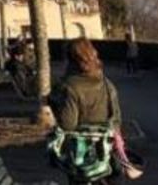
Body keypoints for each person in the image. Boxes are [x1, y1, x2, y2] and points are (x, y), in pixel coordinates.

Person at [47, 38, 130, 183]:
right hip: (106, 151)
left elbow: (68, 124)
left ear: (71, 59)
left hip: (82, 153)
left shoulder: (70, 86)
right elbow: (116, 117)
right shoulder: (105, 82)